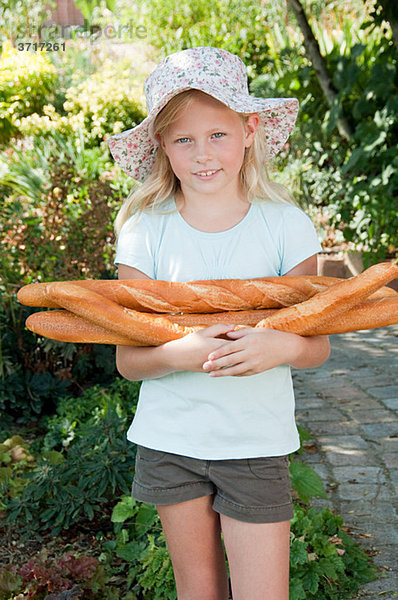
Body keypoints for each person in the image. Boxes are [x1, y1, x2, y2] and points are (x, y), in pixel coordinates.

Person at [108, 46, 331, 600]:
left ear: (250, 129)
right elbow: (128, 362)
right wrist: (175, 355)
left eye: (218, 135)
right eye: (184, 139)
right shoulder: (145, 230)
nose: (202, 154)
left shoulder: (286, 226)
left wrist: (279, 347)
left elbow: (316, 345)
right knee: (199, 591)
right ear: (162, 145)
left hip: (254, 442)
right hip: (170, 442)